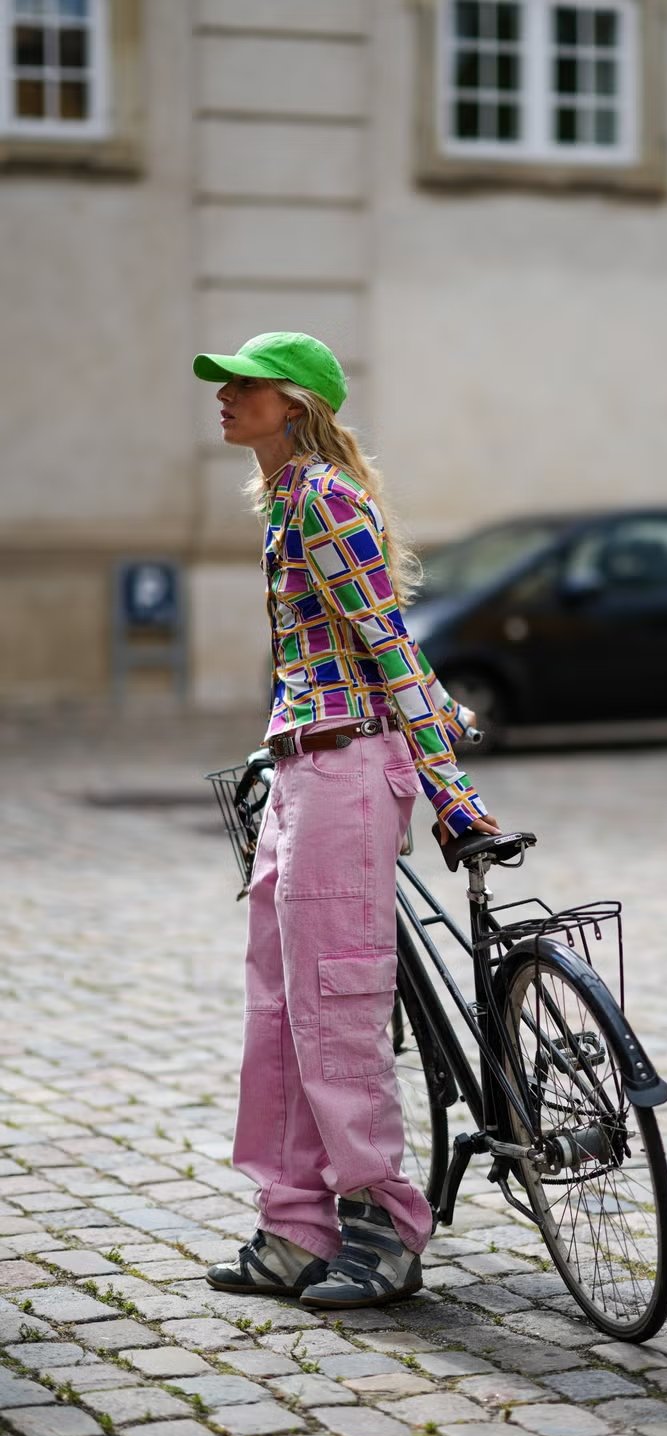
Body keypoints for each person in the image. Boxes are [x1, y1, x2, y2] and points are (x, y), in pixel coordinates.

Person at [192, 332, 500, 1308]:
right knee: (277, 1010)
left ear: (294, 403)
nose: (226, 398)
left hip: (348, 770)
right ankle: (293, 1227)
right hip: (304, 767)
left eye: (245, 386)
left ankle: (382, 1224)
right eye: (225, 386)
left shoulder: (324, 497)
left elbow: (388, 646)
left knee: (333, 1004)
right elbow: (324, 660)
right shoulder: (284, 500)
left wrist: (453, 797)